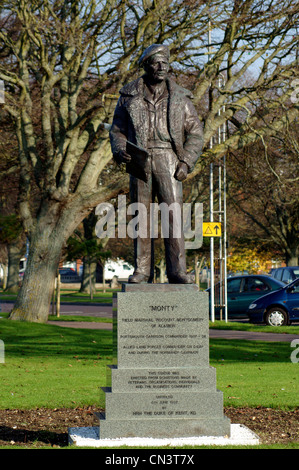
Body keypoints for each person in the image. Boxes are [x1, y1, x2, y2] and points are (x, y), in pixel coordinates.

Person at [109, 44, 203, 283]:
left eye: (165, 62)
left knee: (174, 216)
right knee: (142, 217)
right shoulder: (128, 96)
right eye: (156, 62)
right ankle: (142, 270)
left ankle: (177, 270)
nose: (161, 67)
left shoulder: (180, 97)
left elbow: (195, 133)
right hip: (139, 159)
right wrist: (120, 149)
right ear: (146, 65)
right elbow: (117, 130)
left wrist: (186, 162)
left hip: (169, 159)